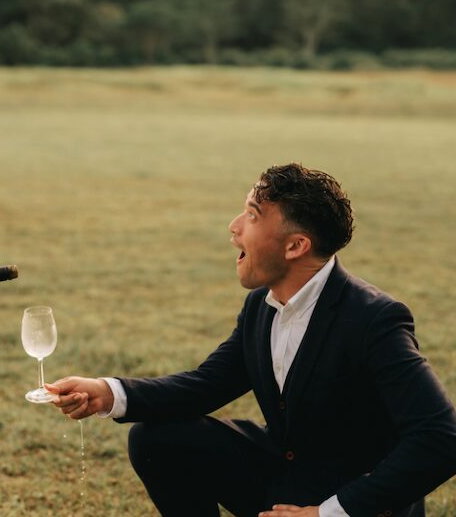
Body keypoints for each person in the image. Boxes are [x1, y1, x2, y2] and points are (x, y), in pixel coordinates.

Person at [48, 163, 456, 517]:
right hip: (283, 474)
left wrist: (329, 512)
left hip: (348, 500)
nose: (234, 227)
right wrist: (109, 392)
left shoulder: (374, 320)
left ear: (296, 246)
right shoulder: (262, 304)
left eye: (252, 215)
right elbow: (208, 384)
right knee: (156, 439)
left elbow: (441, 436)